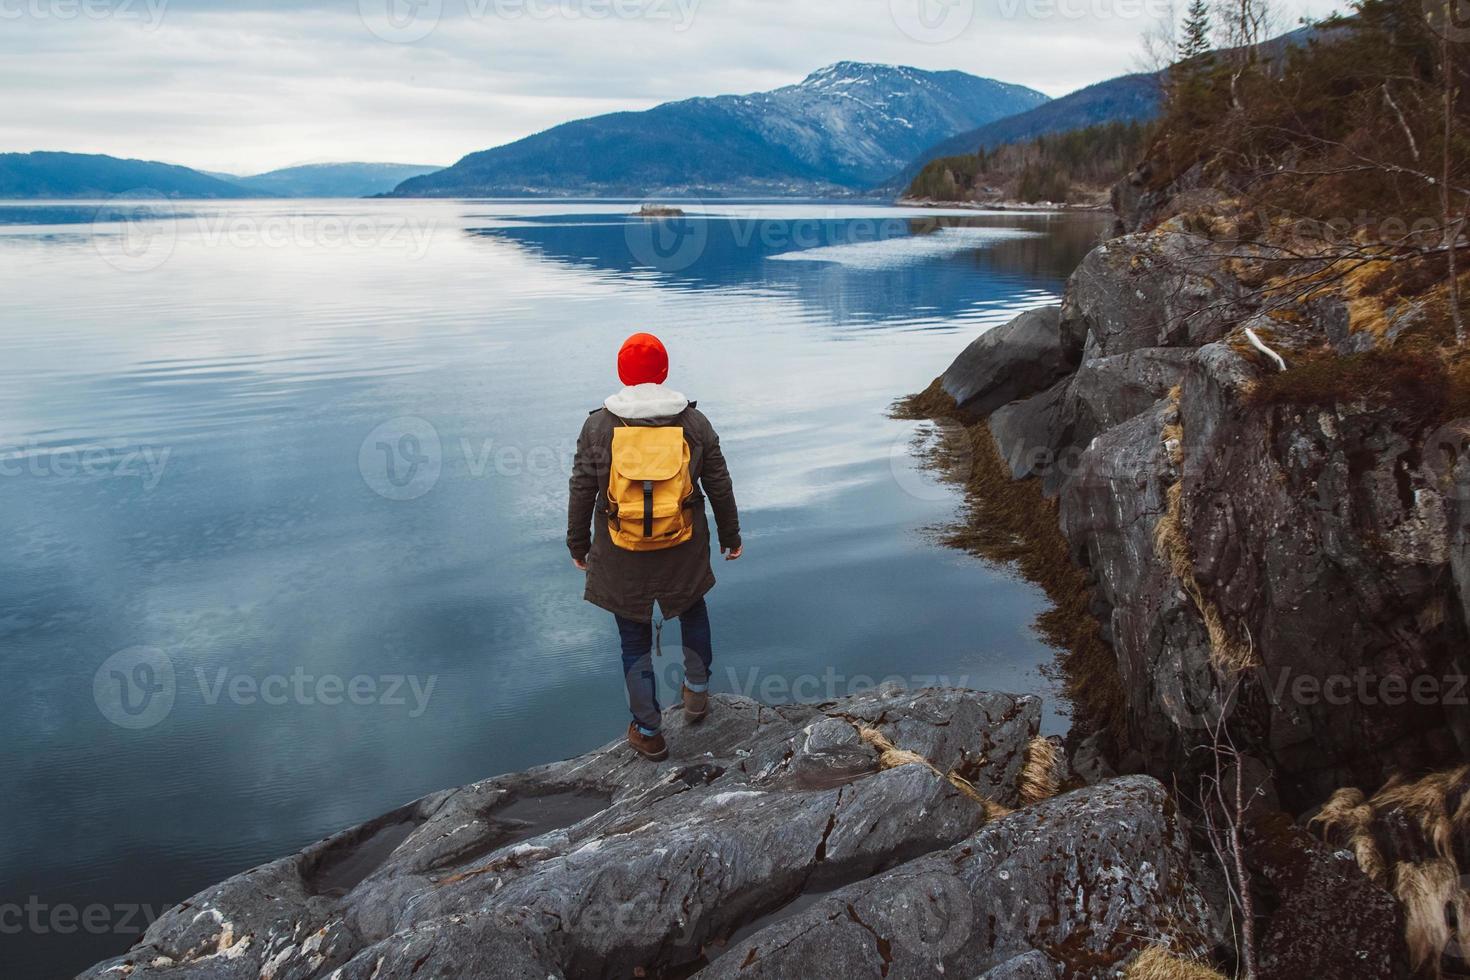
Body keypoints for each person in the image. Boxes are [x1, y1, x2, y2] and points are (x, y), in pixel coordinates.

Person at [567, 332, 742, 761]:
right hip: (683, 545)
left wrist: (578, 544)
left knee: (633, 638)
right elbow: (718, 482)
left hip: (621, 551)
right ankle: (697, 697)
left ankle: (648, 730)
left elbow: (582, 489)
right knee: (693, 611)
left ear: (622, 375)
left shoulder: (598, 425)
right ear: (664, 373)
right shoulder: (693, 423)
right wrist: (731, 536)